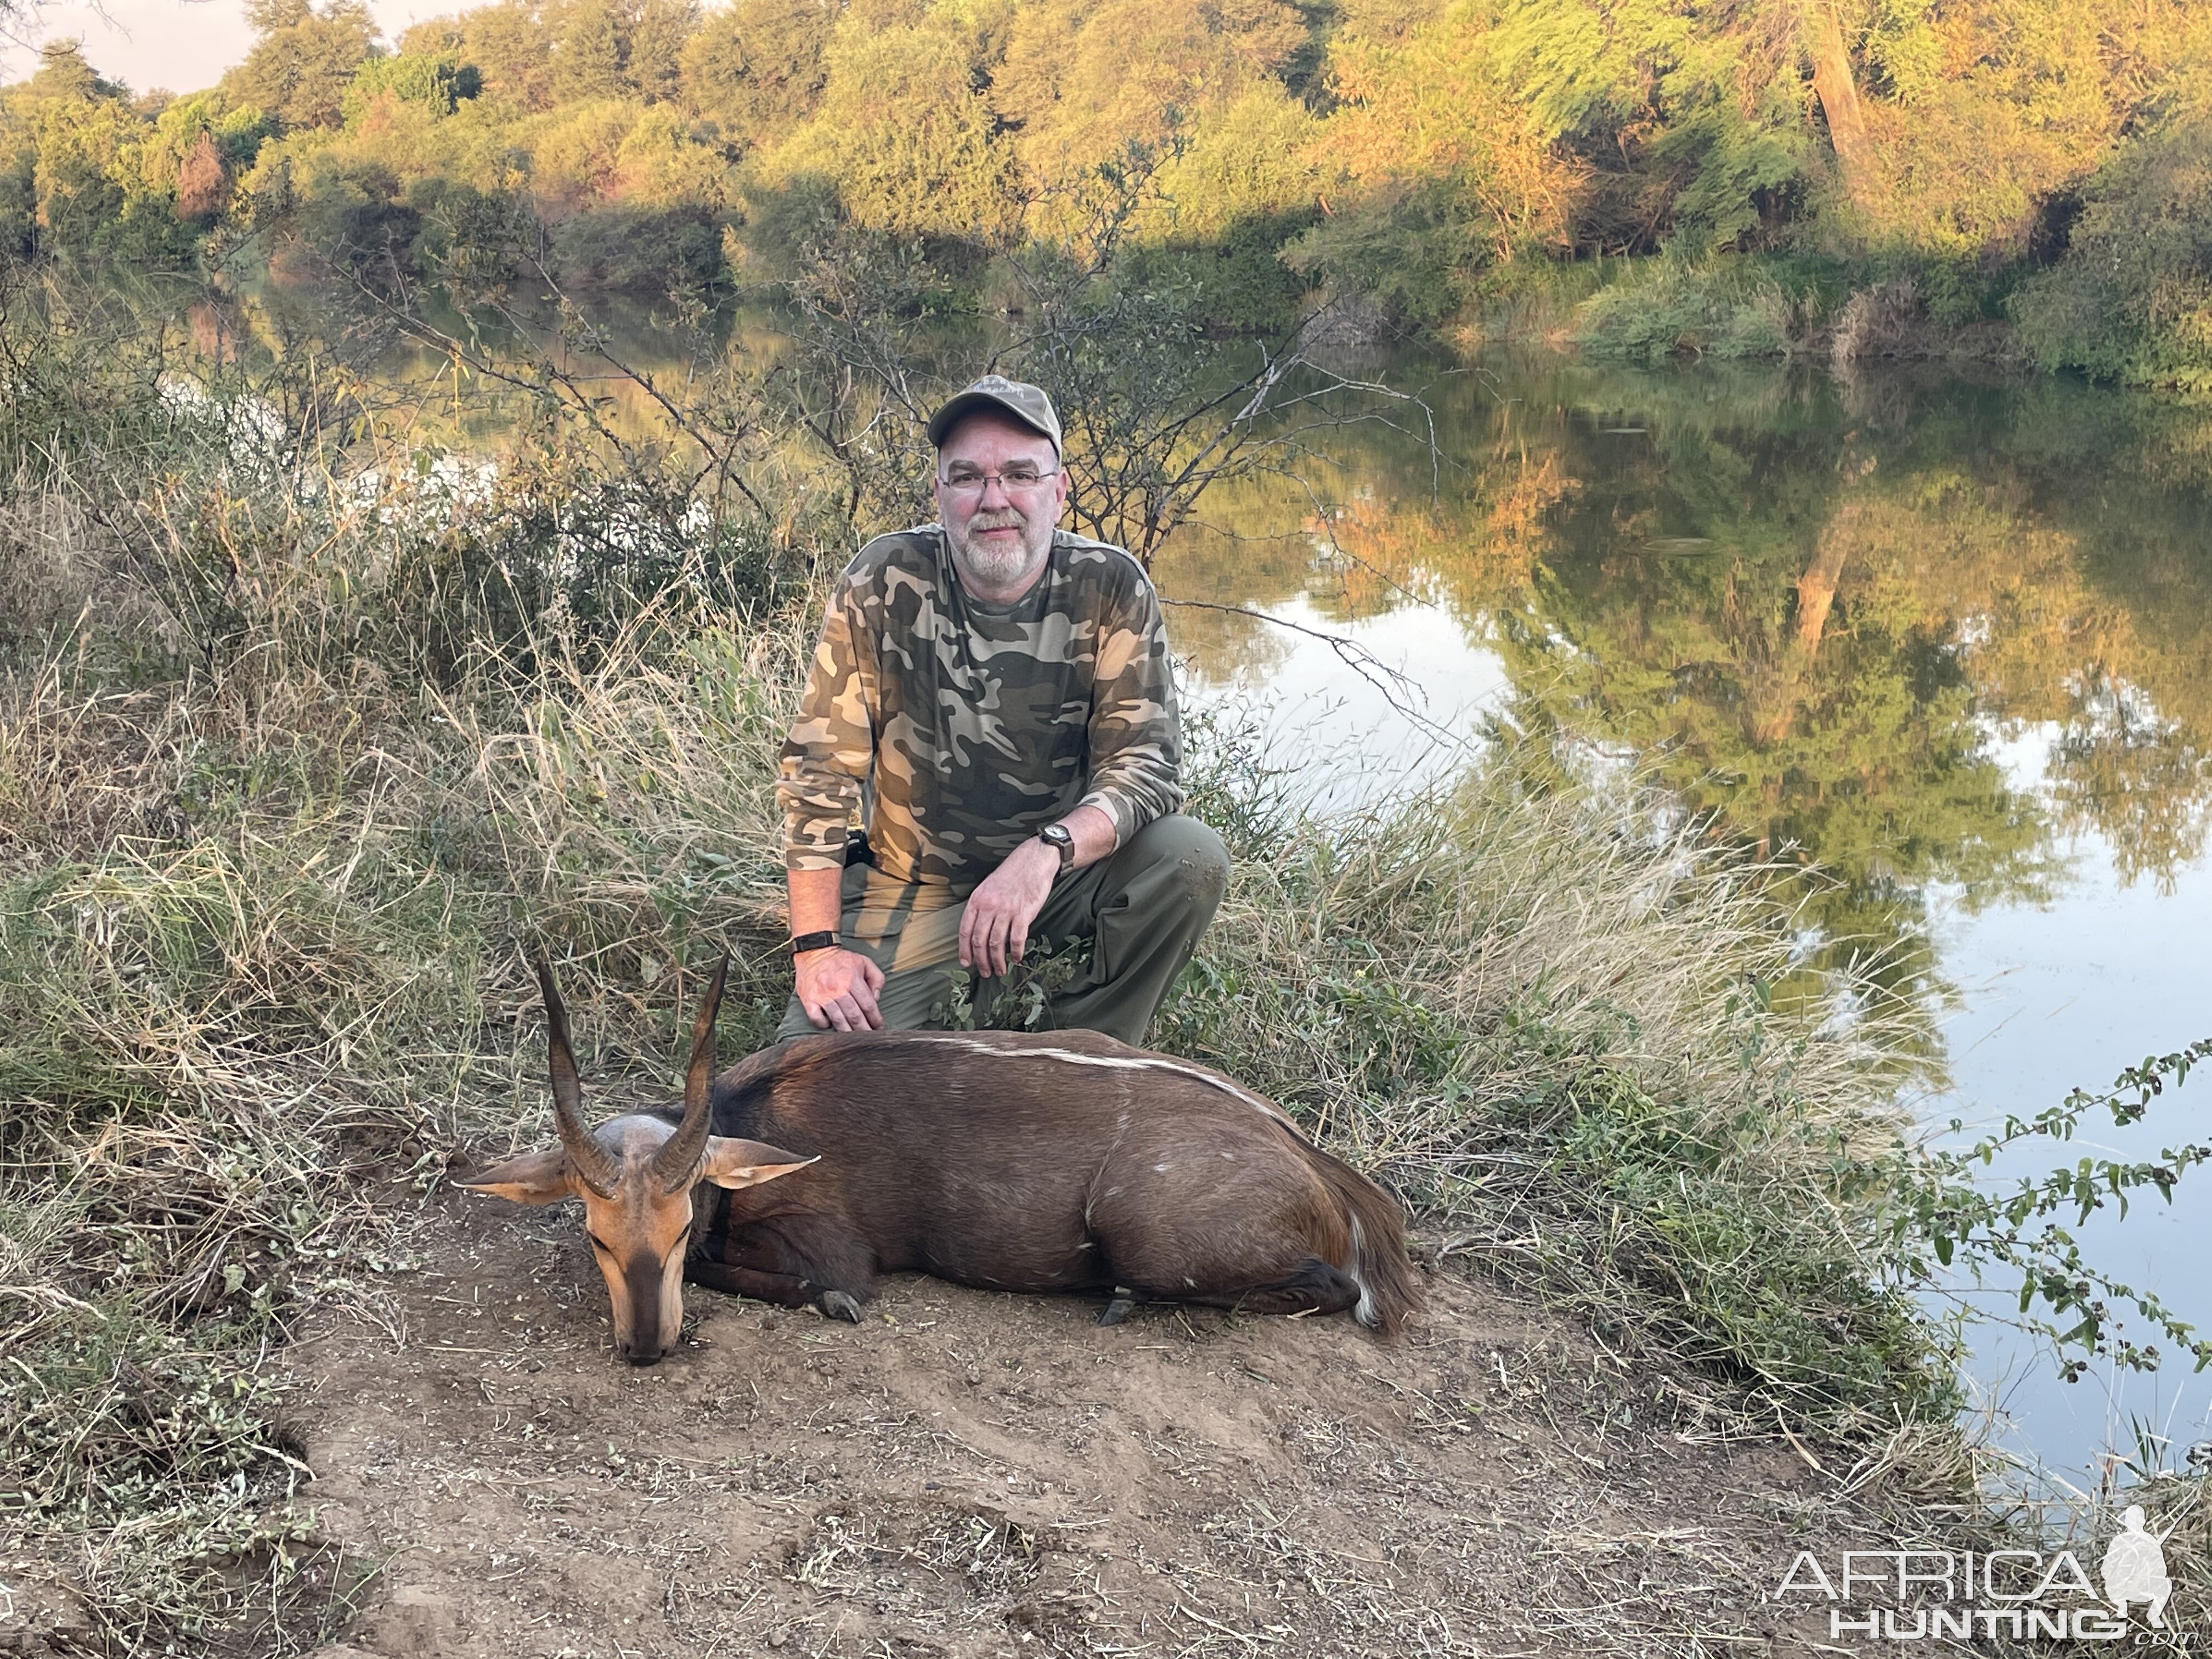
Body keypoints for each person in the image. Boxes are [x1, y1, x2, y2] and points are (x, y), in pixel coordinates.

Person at [772, 374, 1230, 1045]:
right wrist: (815, 951)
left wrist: (1046, 854)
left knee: (1190, 856)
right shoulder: (882, 580)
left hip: (1057, 883)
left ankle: (1083, 1050)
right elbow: (818, 775)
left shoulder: (1110, 584)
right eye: (967, 477)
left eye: (1019, 474)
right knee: (809, 1077)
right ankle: (962, 1004)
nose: (995, 499)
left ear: (1059, 489)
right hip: (912, 888)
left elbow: (1146, 766)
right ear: (940, 494)